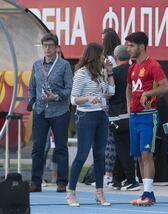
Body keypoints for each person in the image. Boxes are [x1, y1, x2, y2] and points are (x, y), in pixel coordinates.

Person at [67, 43, 115, 206]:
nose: (105, 58)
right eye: (102, 55)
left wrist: (109, 72)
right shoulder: (81, 73)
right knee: (82, 153)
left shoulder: (101, 73)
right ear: (94, 56)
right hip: (86, 116)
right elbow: (73, 99)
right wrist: (87, 98)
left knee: (100, 155)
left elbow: (111, 92)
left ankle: (99, 193)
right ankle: (71, 192)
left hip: (101, 115)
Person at [125, 32, 168, 206]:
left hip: (147, 115)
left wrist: (148, 93)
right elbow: (129, 88)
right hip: (134, 116)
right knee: (138, 156)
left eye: (131, 46)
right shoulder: (132, 67)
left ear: (141, 46)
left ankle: (148, 193)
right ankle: (147, 192)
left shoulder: (153, 65)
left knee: (146, 154)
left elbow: (166, 87)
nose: (128, 49)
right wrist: (129, 106)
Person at [28, 33, 73, 193]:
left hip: (59, 111)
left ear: (56, 48)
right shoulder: (36, 65)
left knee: (60, 148)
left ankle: (61, 182)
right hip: (40, 111)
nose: (47, 48)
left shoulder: (64, 65)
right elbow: (32, 85)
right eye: (45, 46)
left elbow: (69, 88)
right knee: (38, 148)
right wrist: (31, 101)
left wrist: (57, 96)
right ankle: (35, 182)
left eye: (50, 46)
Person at [108, 45, 140, 191]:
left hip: (116, 115)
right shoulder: (135, 71)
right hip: (132, 112)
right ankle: (116, 179)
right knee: (124, 145)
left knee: (122, 147)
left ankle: (130, 179)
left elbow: (109, 93)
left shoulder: (112, 73)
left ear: (115, 57)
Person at [100, 28, 121, 187]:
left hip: (108, 104)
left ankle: (108, 175)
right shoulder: (117, 59)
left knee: (109, 141)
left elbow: (107, 82)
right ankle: (112, 174)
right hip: (115, 104)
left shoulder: (108, 60)